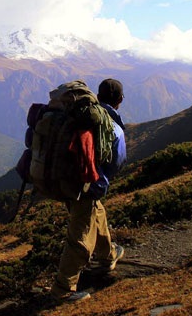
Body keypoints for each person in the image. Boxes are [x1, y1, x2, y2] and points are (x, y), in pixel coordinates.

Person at [51, 79, 127, 303]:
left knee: (97, 212)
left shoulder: (77, 115)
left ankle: (107, 255)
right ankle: (63, 288)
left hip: (64, 178)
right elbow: (117, 162)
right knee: (81, 235)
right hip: (85, 184)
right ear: (120, 100)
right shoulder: (110, 126)